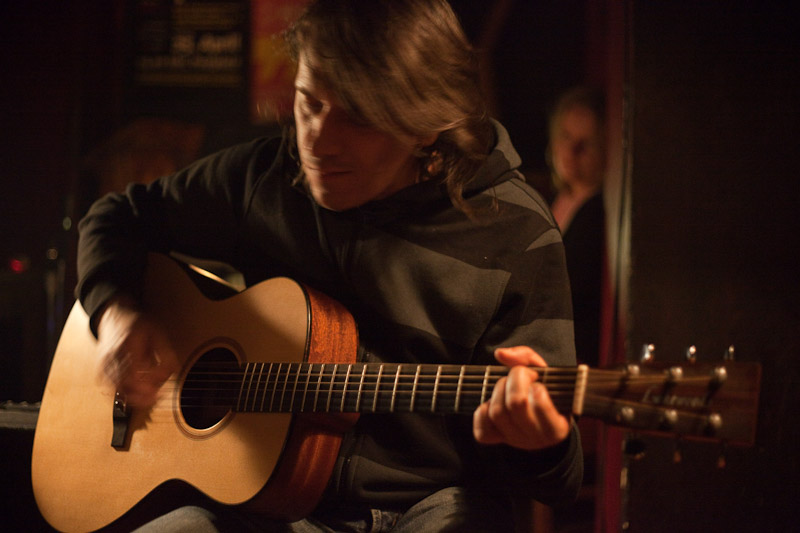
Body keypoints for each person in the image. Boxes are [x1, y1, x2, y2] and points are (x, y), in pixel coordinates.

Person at [76, 1, 582, 531]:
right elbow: (116, 217)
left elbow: (558, 481)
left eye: (358, 116)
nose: (317, 140)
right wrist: (116, 315)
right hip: (268, 503)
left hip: (433, 508)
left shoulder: (517, 233)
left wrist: (541, 442)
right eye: (309, 102)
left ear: (425, 125)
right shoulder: (267, 178)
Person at [547, 86, 607, 368]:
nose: (571, 152)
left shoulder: (598, 213)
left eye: (586, 143)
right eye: (566, 137)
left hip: (573, 357)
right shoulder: (553, 199)